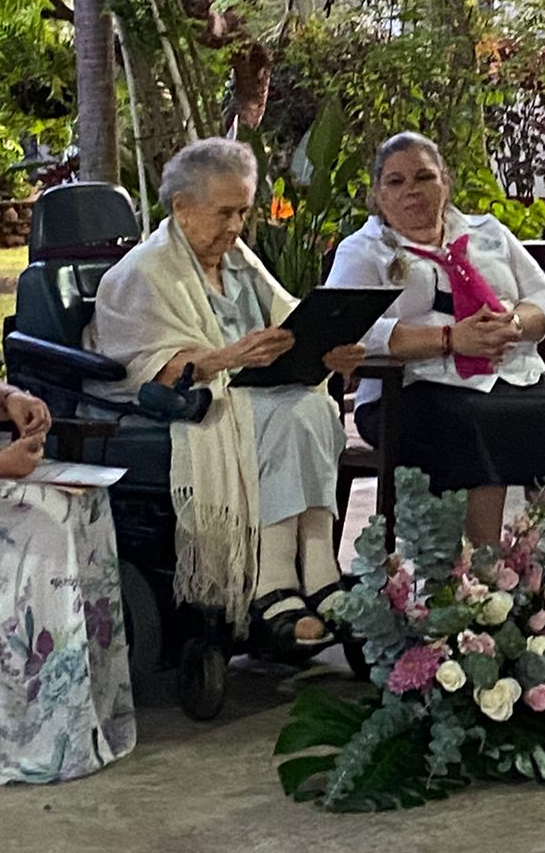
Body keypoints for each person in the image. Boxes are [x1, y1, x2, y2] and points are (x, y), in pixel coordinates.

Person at [90, 138, 365, 648]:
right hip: (188, 403)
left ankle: (319, 572)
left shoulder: (237, 257)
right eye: (224, 213)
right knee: (293, 413)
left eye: (243, 212)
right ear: (181, 207)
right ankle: (274, 583)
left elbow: (289, 317)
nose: (236, 226)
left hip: (254, 392)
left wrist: (328, 349)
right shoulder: (142, 273)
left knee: (314, 406)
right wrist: (228, 356)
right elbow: (146, 367)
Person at [325, 132, 545, 547]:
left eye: (424, 177)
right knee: (471, 423)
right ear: (378, 194)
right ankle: (483, 570)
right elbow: (350, 326)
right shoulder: (364, 250)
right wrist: (450, 339)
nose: (411, 190)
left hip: (509, 373)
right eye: (396, 181)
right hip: (412, 387)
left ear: (445, 182)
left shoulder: (487, 232)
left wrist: (513, 324)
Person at [0, 151, 135, 786]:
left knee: (83, 505)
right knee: (40, 530)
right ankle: (29, 734)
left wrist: (11, 400)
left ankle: (80, 718)